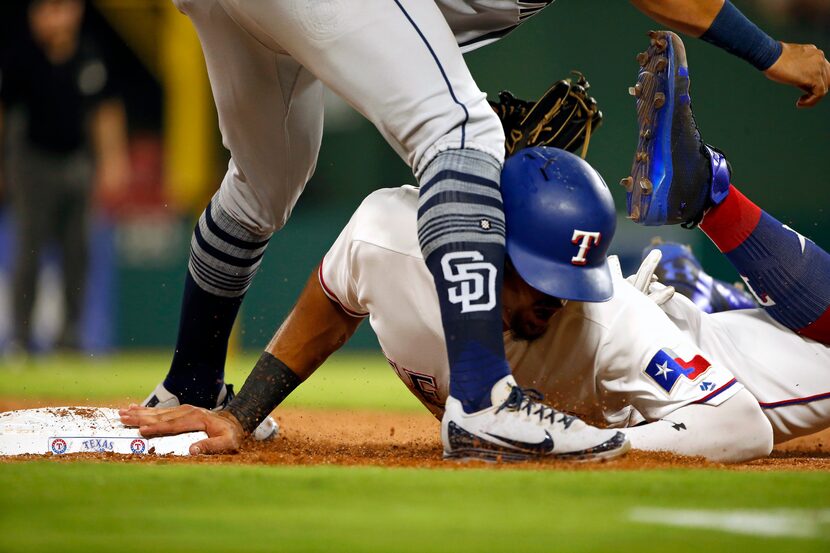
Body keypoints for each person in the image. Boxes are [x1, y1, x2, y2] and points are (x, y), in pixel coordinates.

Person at [141, 0, 830, 454]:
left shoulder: (390, 235)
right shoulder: (390, 233)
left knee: (265, 177)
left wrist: (242, 407)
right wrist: (769, 51)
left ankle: (192, 385)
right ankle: (485, 399)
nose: (548, 301)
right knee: (463, 129)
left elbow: (339, 283)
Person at [0, 0, 129, 352]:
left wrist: (113, 160)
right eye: (42, 10)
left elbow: (106, 110)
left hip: (77, 163)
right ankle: (20, 338)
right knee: (28, 251)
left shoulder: (90, 55)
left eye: (58, 8)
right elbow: (5, 113)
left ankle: (70, 336)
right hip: (32, 164)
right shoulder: (21, 57)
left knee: (78, 252)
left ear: (75, 11)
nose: (50, 18)